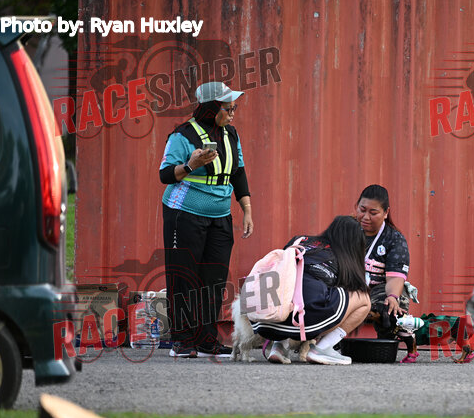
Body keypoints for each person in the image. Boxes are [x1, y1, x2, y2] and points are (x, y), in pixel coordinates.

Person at [159, 82, 253, 358]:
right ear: (211, 108)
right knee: (184, 277)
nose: (232, 113)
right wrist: (191, 165)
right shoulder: (182, 135)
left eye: (234, 108)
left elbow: (238, 172)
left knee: (214, 279)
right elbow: (165, 175)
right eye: (228, 108)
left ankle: (206, 340)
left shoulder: (231, 134)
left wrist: (247, 209)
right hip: (183, 213)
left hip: (220, 216)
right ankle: (182, 340)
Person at [252, 216, 371, 365]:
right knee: (364, 299)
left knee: (289, 285)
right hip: (303, 323)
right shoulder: (344, 258)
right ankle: (322, 349)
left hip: (264, 320)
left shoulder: (300, 240)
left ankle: (279, 347)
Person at [354, 185, 418, 362]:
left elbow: (395, 276)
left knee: (393, 305)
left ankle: (386, 342)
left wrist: (392, 296)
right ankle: (327, 343)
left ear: (385, 213)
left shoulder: (394, 239)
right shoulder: (346, 229)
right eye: (362, 210)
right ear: (356, 207)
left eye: (373, 213)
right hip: (348, 287)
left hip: (377, 290)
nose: (366, 217)